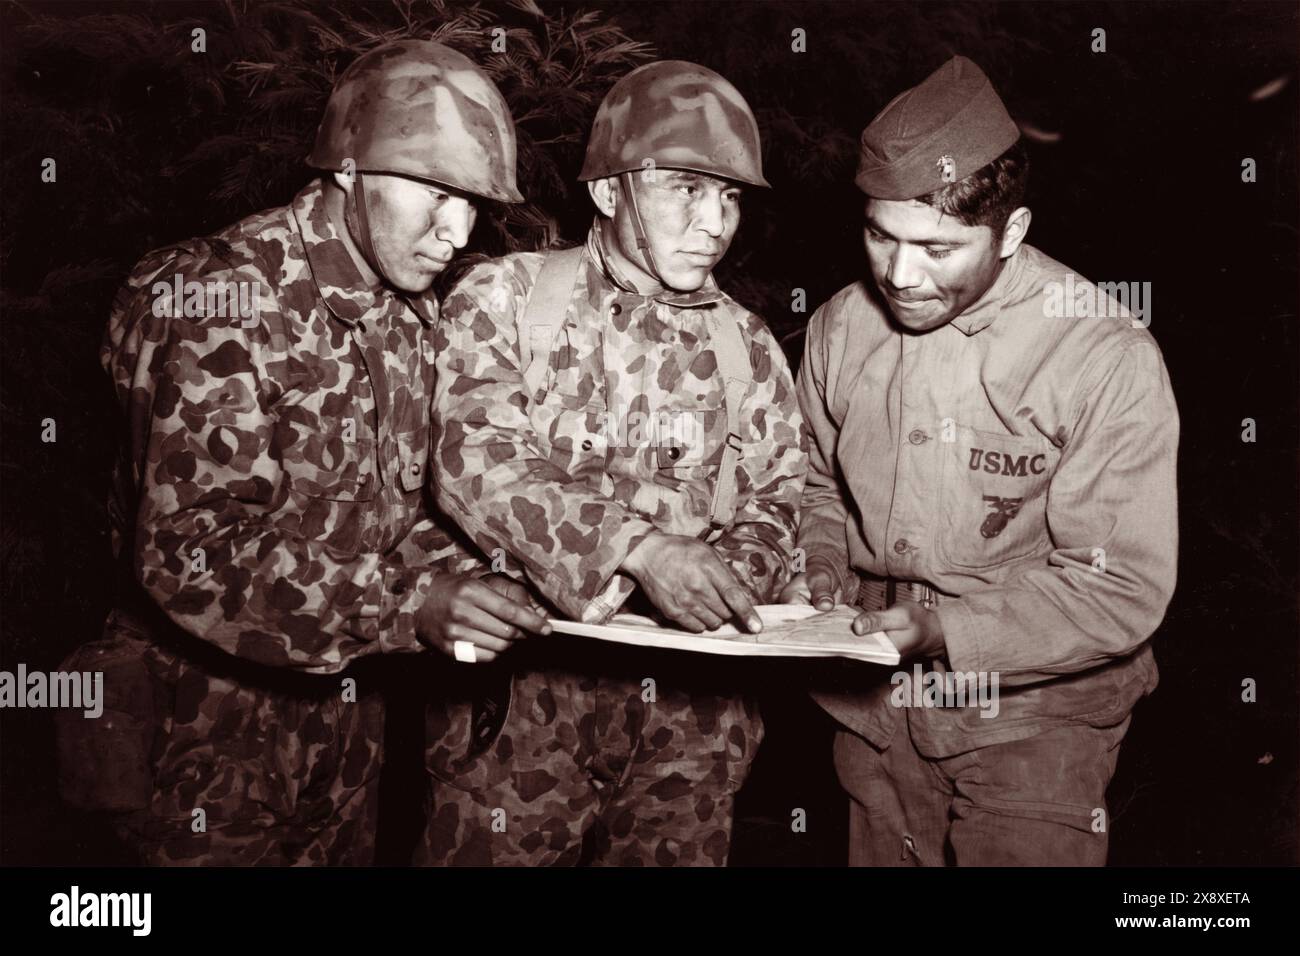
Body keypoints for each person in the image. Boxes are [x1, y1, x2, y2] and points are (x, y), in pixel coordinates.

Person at [74, 39, 547, 865]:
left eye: (473, 204)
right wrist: (412, 607)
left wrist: (505, 578)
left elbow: (404, 510)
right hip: (203, 730)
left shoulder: (408, 312)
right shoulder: (221, 299)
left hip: (347, 719)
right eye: (435, 192)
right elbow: (190, 550)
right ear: (350, 168)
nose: (455, 232)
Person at [781, 55, 1178, 866]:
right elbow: (811, 480)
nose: (899, 275)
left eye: (939, 249)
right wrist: (816, 570)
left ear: (1014, 231)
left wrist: (944, 630)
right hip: (875, 711)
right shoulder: (839, 327)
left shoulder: (1101, 351)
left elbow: (1121, 584)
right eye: (880, 236)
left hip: (1035, 715)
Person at [422, 60, 807, 866]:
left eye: (730, 196)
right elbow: (474, 460)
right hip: (521, 709)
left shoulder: (749, 346)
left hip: (693, 726)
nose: (715, 223)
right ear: (609, 192)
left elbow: (779, 498)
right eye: (686, 190)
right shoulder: (504, 299)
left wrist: (723, 588)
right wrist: (638, 551)